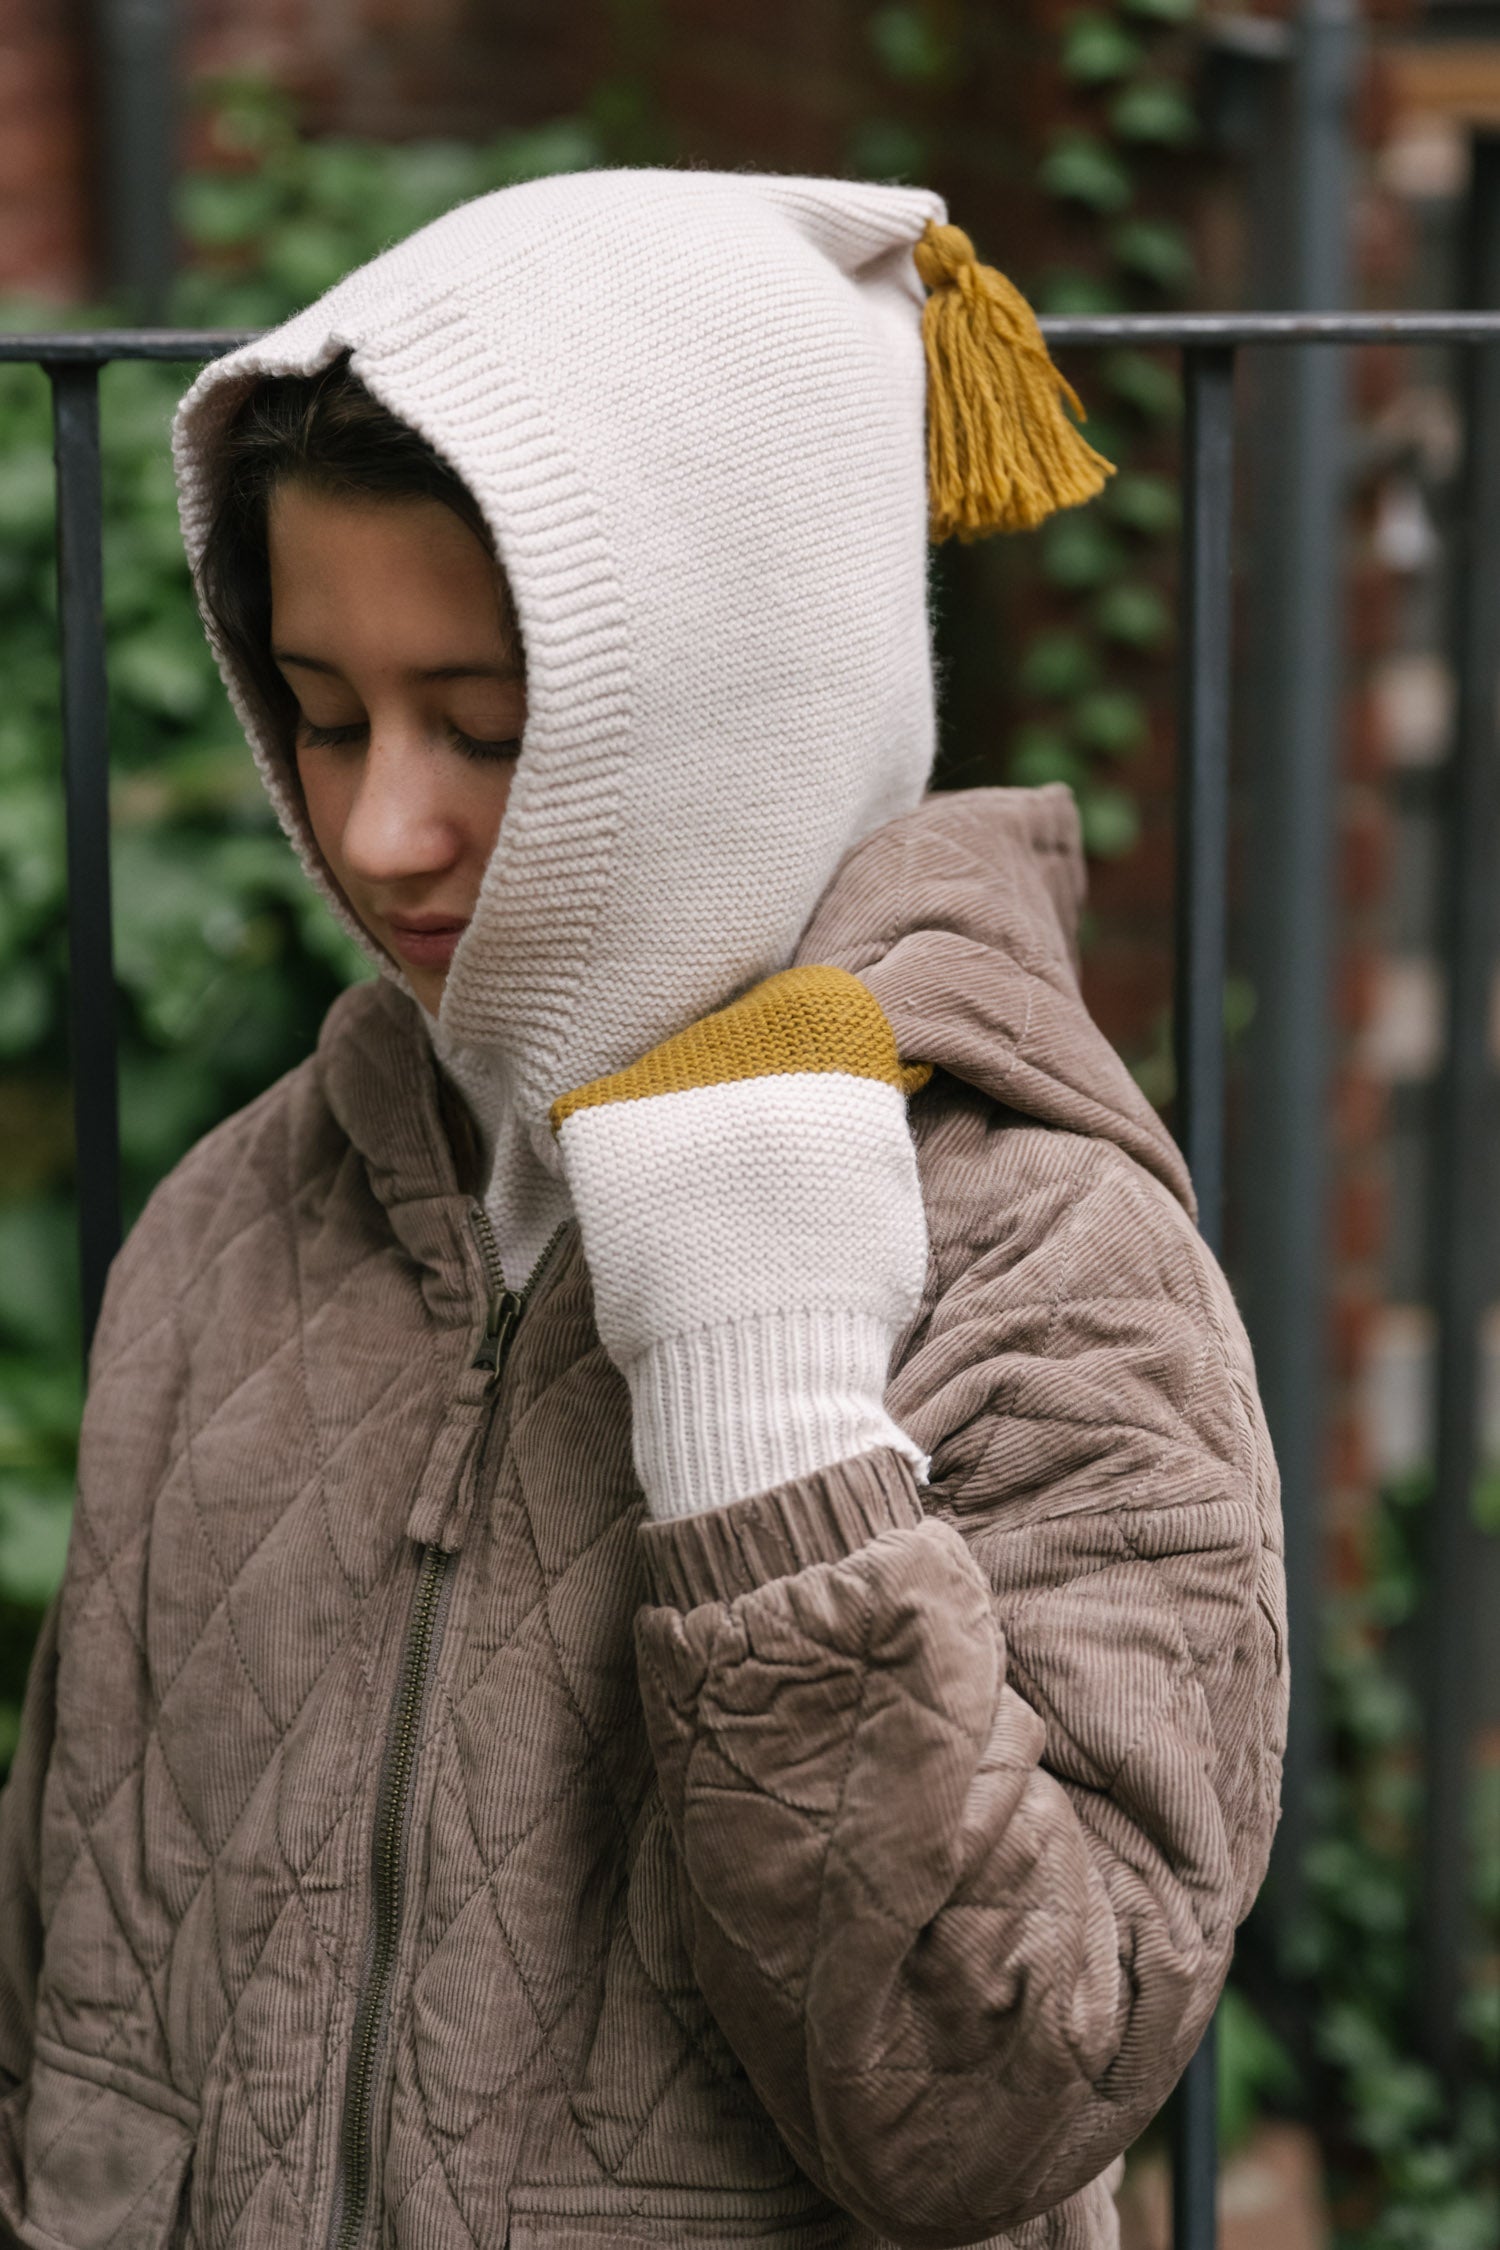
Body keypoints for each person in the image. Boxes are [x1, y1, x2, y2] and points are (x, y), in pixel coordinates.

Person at [0, 169, 1286, 2250]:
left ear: (738, 702)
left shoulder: (1048, 1254)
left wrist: (770, 1425)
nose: (376, 826)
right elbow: (66, 1979)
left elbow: (989, 2109)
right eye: (321, 714)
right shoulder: (246, 1208)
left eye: (488, 728)